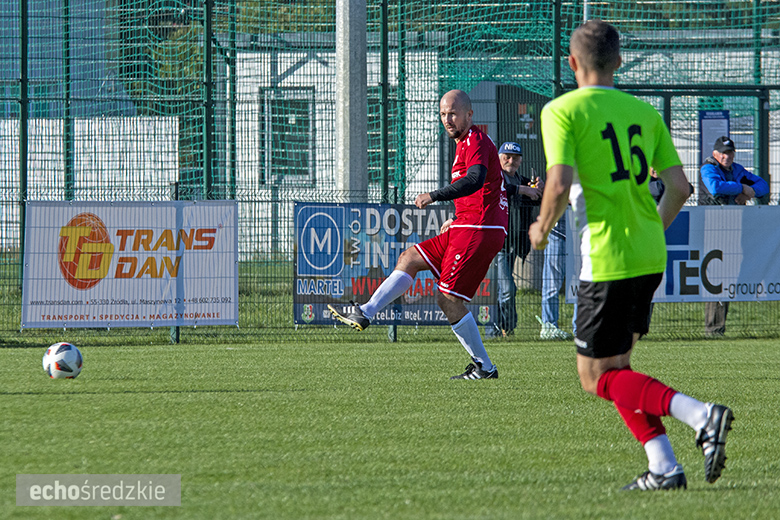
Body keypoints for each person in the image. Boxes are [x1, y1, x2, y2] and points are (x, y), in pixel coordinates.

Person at [529, 20, 734, 491]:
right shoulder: (645, 113)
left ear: (572, 63)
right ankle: (663, 466)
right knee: (617, 368)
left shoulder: (562, 110)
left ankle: (701, 415)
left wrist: (541, 226)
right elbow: (679, 187)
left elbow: (557, 183)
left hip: (606, 257)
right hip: (648, 252)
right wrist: (651, 229)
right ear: (619, 62)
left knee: (593, 377)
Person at [328, 89, 508, 380]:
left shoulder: (474, 138)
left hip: (479, 228)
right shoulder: (465, 143)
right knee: (409, 257)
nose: (447, 119)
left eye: (453, 113)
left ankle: (484, 367)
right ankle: (364, 312)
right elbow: (493, 184)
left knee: (448, 299)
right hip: (468, 224)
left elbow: (475, 180)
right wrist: (458, 216)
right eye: (443, 114)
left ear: (469, 115)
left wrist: (435, 196)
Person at [699, 136, 769, 337]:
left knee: (725, 276)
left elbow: (763, 186)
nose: (726, 156)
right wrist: (742, 188)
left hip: (731, 229)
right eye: (723, 152)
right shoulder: (708, 168)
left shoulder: (736, 170)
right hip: (710, 229)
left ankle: (717, 329)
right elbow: (715, 187)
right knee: (715, 276)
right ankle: (712, 329)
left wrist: (750, 191)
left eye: (730, 153)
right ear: (715, 154)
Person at [485, 142, 543, 339]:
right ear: (499, 158)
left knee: (504, 288)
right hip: (495, 242)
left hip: (514, 243)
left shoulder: (522, 180)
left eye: (516, 157)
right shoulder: (495, 177)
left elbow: (537, 197)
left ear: (521, 160)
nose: (511, 160)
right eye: (507, 156)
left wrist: (539, 189)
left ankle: (502, 329)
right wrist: (523, 190)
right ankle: (501, 328)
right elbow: (501, 189)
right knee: (505, 288)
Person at [537, 212, 574, 340]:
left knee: (579, 285)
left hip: (579, 231)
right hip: (557, 232)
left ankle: (580, 328)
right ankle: (549, 326)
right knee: (551, 283)